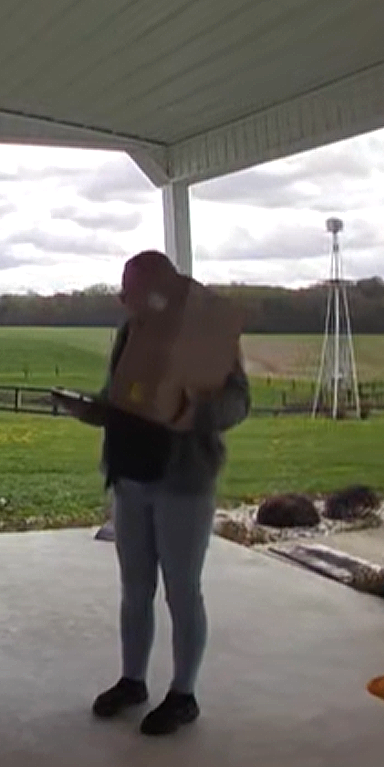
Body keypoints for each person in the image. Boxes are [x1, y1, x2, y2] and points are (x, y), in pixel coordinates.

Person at [62, 249, 250, 736]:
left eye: (132, 286)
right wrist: (93, 410)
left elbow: (237, 401)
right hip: (131, 476)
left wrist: (193, 414)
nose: (123, 296)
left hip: (182, 482)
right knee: (135, 588)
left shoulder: (202, 334)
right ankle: (133, 681)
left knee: (182, 592)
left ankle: (183, 695)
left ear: (161, 287)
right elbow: (124, 396)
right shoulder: (132, 331)